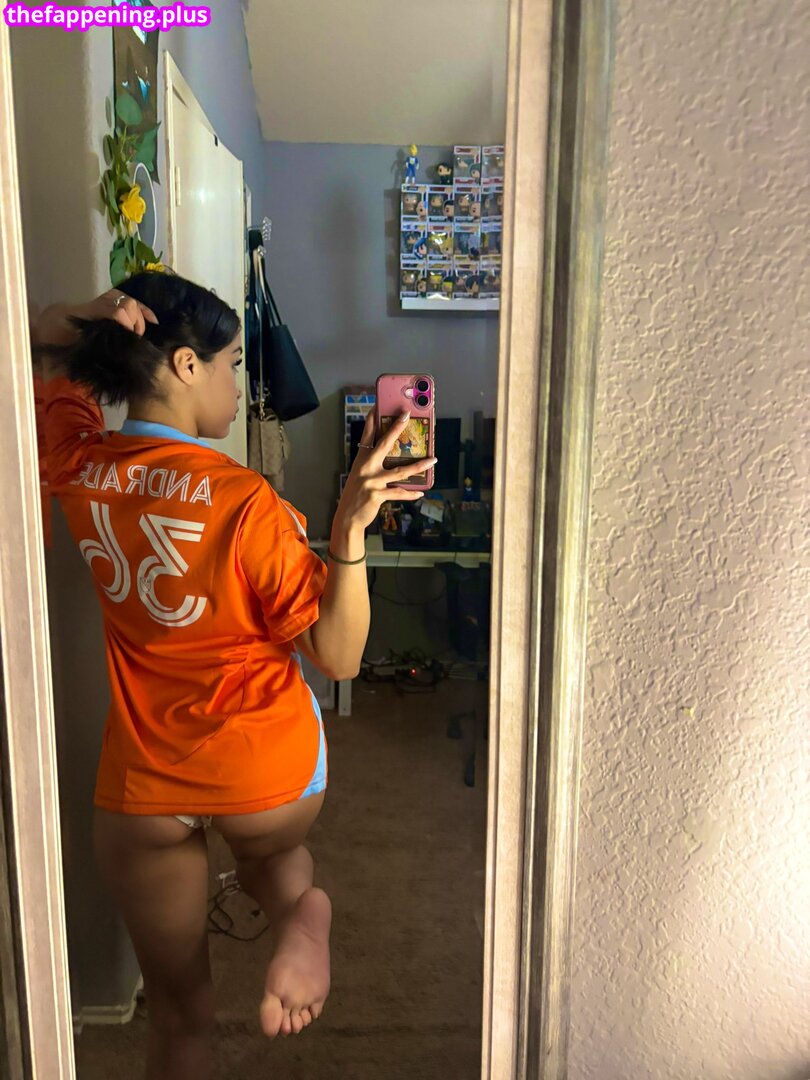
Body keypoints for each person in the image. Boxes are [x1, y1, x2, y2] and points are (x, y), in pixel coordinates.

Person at [33, 271, 435, 1080]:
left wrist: (89, 314)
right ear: (187, 365)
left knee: (178, 1016)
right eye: (233, 364)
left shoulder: (77, 461)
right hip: (263, 771)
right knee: (273, 859)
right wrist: (348, 536)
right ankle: (300, 913)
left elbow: (38, 342)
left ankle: (285, 920)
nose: (237, 384)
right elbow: (339, 657)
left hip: (144, 779)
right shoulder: (247, 503)